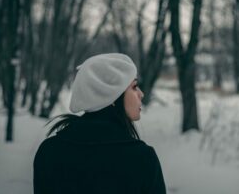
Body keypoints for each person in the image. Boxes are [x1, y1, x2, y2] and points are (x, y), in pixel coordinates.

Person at [33, 53, 166, 194]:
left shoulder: (49, 152)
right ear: (112, 95)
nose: (141, 94)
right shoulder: (142, 160)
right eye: (134, 87)